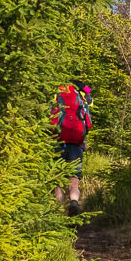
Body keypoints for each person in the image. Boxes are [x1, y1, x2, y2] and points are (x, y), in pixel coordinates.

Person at [51, 81, 93, 215]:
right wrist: (83, 87)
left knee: (57, 181)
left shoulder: (54, 92)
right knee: (74, 181)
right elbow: (90, 104)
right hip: (76, 144)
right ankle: (74, 202)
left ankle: (58, 213)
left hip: (58, 143)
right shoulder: (80, 92)